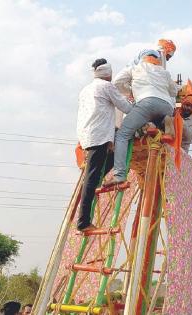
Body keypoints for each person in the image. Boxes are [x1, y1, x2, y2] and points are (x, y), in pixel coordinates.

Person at [105, 51, 178, 186]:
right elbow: (174, 92)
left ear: (141, 59)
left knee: (122, 135)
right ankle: (162, 121)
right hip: (167, 106)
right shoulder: (164, 72)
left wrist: (131, 89)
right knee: (150, 118)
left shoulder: (134, 68)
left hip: (146, 102)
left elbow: (117, 83)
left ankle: (119, 174)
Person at [76, 58, 133, 232]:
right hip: (99, 134)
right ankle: (83, 222)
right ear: (108, 74)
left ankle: (104, 177)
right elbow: (125, 106)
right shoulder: (106, 86)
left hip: (89, 133)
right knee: (91, 178)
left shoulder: (86, 89)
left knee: (107, 161)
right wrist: (142, 112)